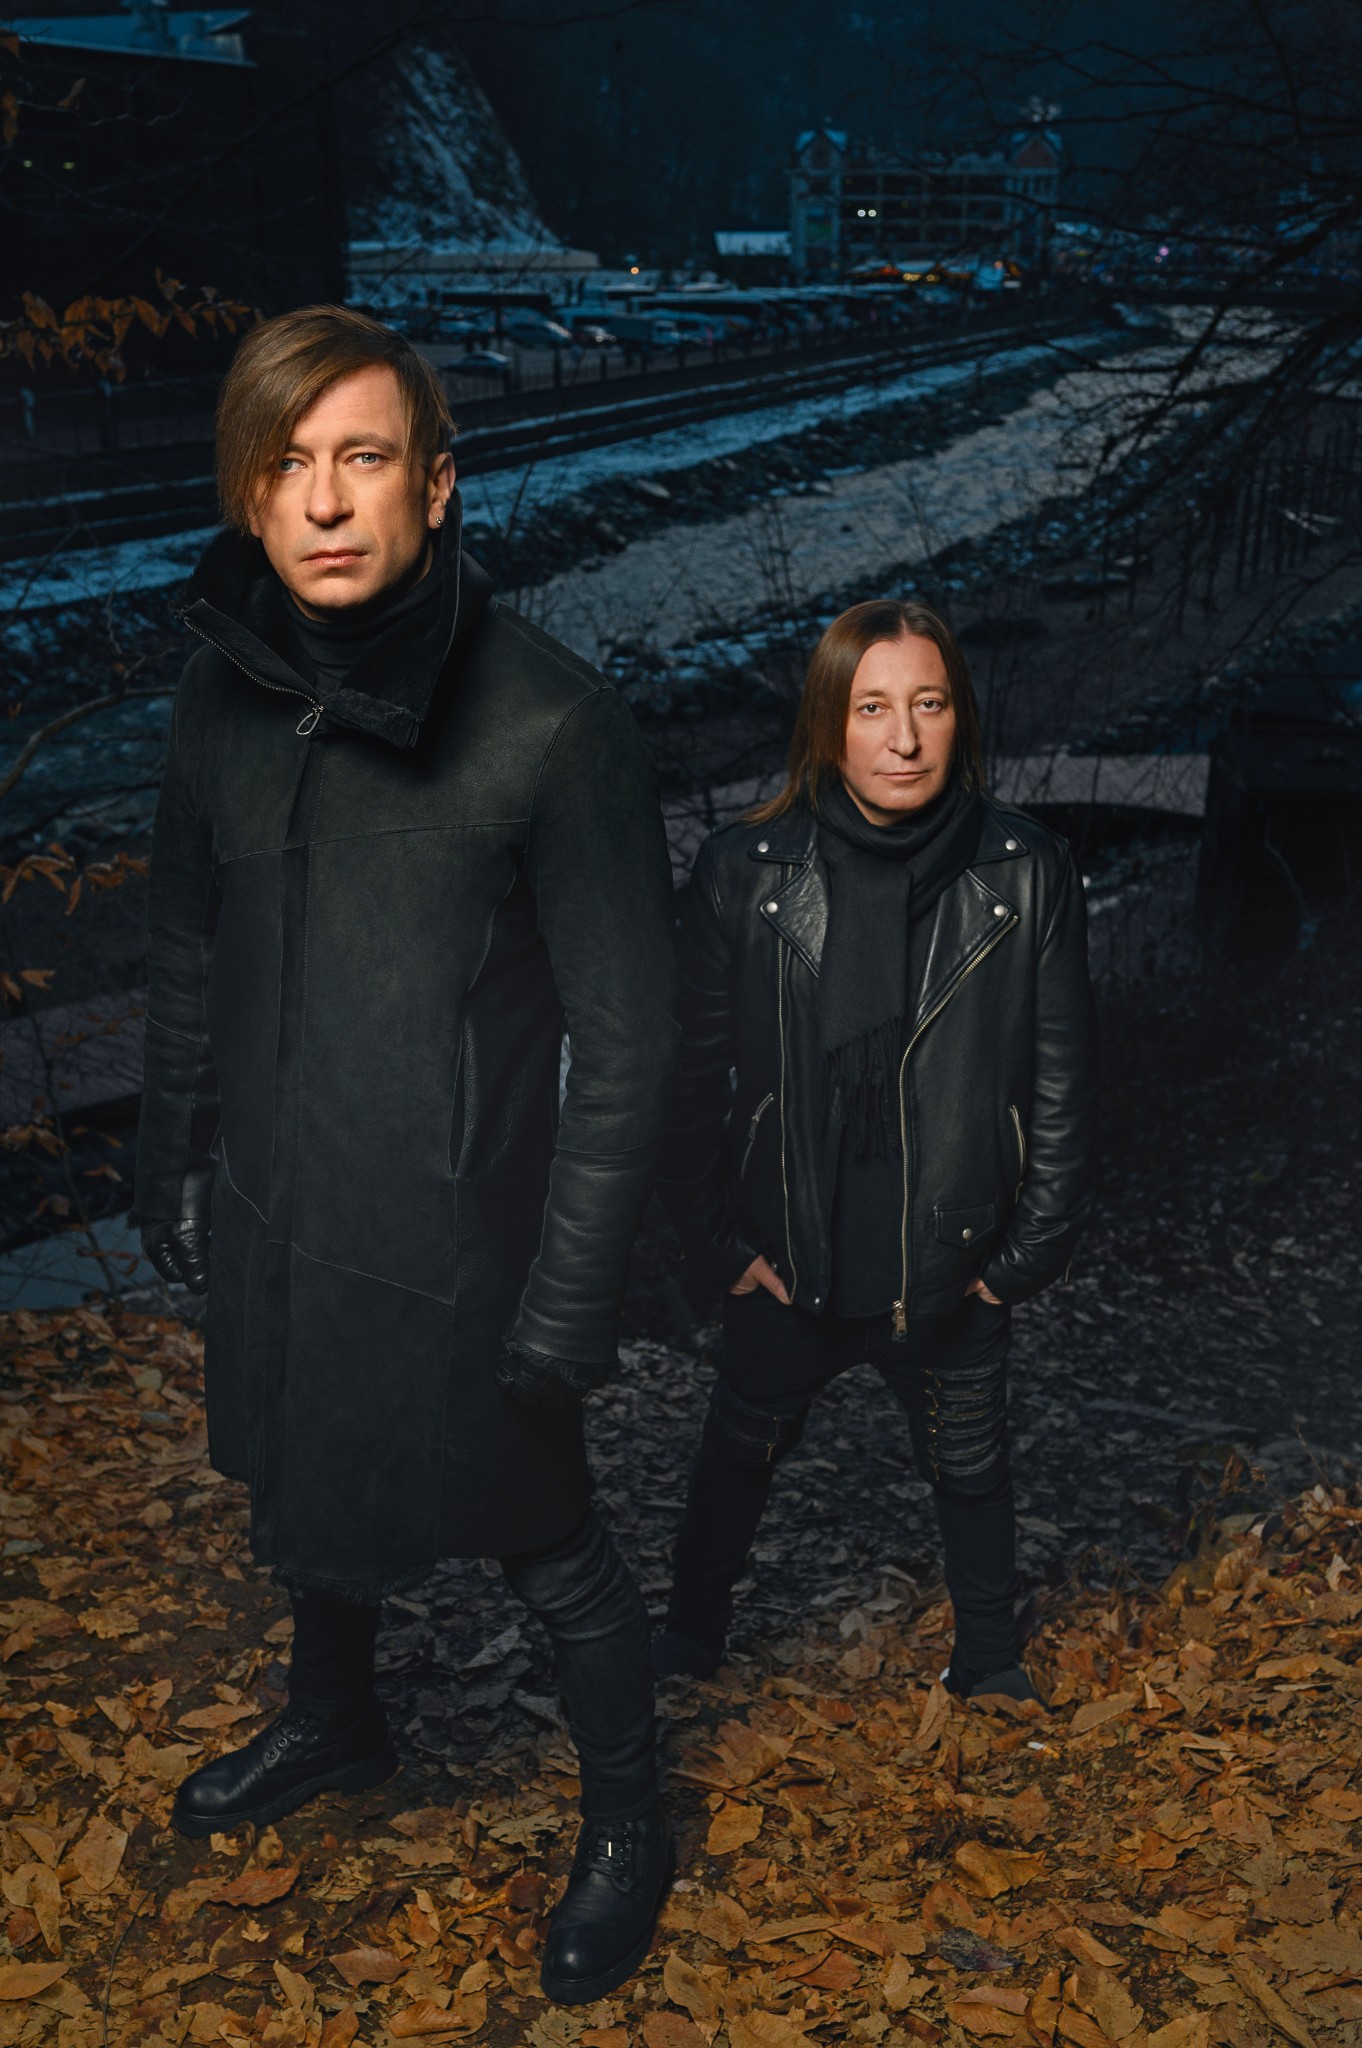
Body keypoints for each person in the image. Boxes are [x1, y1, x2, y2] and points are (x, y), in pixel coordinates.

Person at [135, 306, 679, 2005]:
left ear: (436, 485)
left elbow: (636, 1042)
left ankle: (629, 1821)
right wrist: (173, 1149)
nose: (321, 501)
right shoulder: (220, 697)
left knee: (546, 1538)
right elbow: (187, 942)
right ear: (247, 496)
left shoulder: (554, 723)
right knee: (312, 1476)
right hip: (283, 1203)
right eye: (284, 464)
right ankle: (335, 1719)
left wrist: (570, 1296)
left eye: (361, 457)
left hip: (466, 1240)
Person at [654, 599, 1098, 1699]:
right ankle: (689, 1639)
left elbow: (1063, 1085)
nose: (904, 738)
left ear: (960, 719)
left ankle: (989, 1660)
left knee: (972, 1464)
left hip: (952, 1248)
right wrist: (719, 1243)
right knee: (735, 1455)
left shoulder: (1026, 868)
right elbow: (686, 1080)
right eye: (872, 708)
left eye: (929, 704)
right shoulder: (744, 871)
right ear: (827, 724)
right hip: (790, 1242)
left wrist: (1019, 1260)